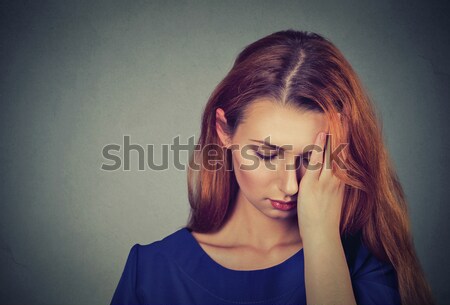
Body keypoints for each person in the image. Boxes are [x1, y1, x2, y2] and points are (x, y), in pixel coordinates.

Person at [110, 29, 434, 305]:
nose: (291, 186)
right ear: (224, 131)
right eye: (265, 155)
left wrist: (321, 236)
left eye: (309, 158)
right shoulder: (151, 271)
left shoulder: (364, 266)